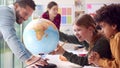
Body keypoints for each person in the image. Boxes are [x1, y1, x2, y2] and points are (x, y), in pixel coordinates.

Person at [0, 0, 48, 67]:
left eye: (28, 16)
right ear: (16, 6)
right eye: (25, 14)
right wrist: (28, 59)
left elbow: (16, 40)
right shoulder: (6, 12)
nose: (26, 18)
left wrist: (31, 57)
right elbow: (11, 37)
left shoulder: (6, 15)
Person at [88, 4, 120, 68]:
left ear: (113, 25)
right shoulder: (112, 38)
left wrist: (99, 61)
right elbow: (115, 61)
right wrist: (98, 60)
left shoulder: (118, 37)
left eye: (103, 26)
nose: (102, 30)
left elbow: (118, 65)